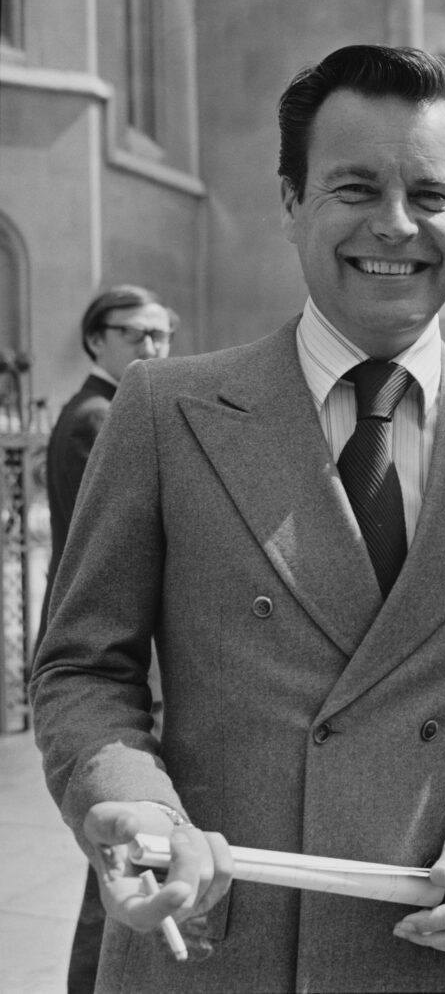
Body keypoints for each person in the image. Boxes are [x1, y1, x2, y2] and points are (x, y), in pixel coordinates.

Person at [31, 45, 445, 993]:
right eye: (354, 187)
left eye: (432, 196)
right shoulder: (165, 410)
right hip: (211, 943)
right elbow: (82, 665)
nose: (396, 225)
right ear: (290, 201)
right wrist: (128, 805)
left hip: (435, 954)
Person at [37, 284, 177, 994]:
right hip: (113, 650)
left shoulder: (98, 409)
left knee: (119, 858)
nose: (154, 349)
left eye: (163, 336)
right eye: (137, 335)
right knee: (122, 857)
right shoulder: (100, 418)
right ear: (97, 341)